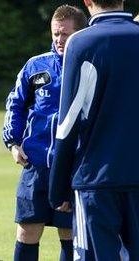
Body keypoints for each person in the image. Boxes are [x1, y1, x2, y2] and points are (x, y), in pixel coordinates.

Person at [48, 0, 139, 260]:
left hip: (96, 180)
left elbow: (68, 123)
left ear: (87, 1)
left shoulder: (81, 42)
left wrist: (58, 187)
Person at [2, 5, 87, 261]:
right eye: (56, 34)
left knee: (70, 234)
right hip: (36, 166)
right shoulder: (36, 66)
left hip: (73, 167)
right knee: (27, 231)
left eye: (66, 34)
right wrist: (13, 143)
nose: (60, 40)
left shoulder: (89, 67)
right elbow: (15, 104)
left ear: (80, 33)